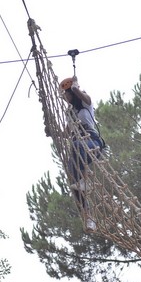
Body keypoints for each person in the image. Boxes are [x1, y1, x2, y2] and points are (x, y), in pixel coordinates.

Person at [60, 76, 103, 230]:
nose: (65, 97)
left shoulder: (86, 103)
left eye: (67, 93)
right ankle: (89, 218)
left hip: (93, 143)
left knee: (78, 144)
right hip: (78, 150)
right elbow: (66, 132)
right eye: (64, 94)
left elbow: (79, 93)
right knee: (74, 185)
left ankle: (84, 180)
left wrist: (75, 87)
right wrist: (53, 133)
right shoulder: (70, 113)